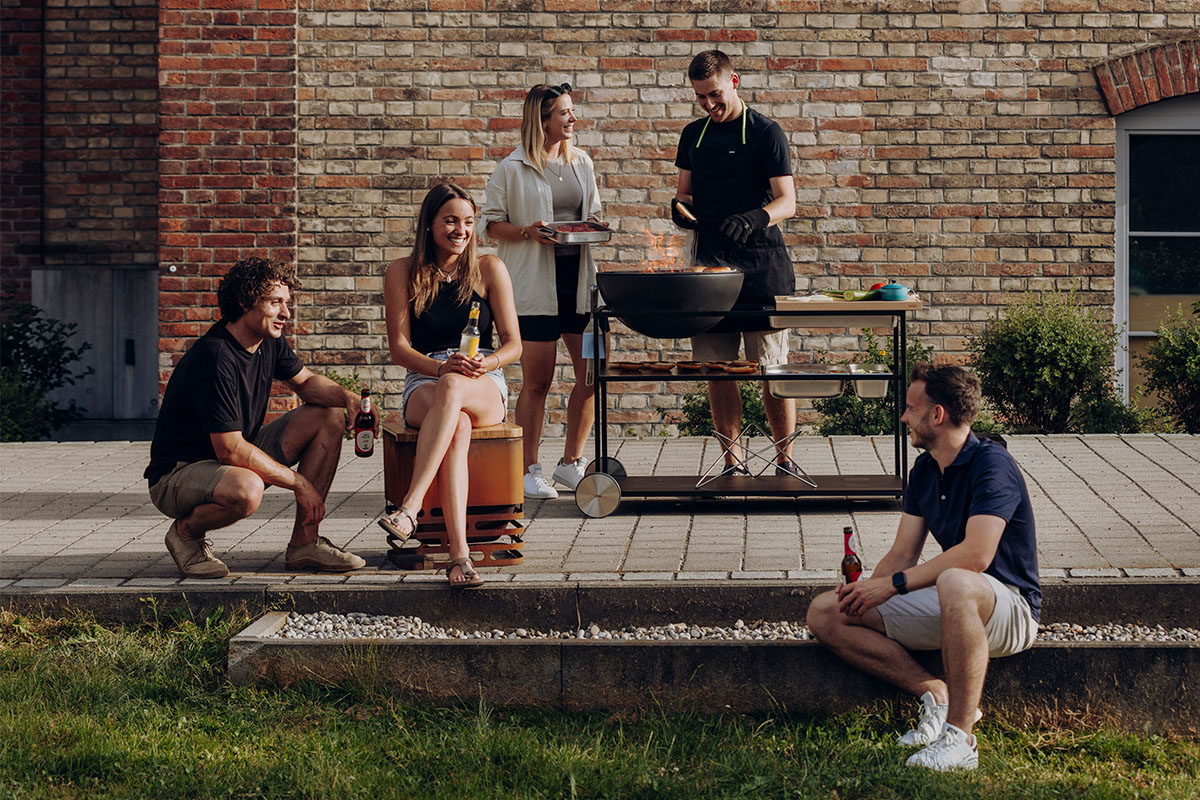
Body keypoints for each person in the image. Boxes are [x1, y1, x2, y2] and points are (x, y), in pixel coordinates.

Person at [807, 364, 1041, 772]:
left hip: (1011, 608)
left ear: (938, 415)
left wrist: (893, 586)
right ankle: (935, 693)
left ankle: (960, 740)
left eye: (911, 408)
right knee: (826, 611)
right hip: (957, 602)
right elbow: (902, 554)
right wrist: (868, 593)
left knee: (956, 579)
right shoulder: (926, 469)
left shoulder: (993, 465)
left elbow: (976, 556)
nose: (904, 417)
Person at [145, 257, 368, 578]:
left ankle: (305, 545)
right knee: (248, 489)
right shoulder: (215, 356)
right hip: (177, 476)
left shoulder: (269, 342)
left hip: (227, 462)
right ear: (244, 301)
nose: (286, 314)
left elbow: (305, 383)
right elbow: (230, 451)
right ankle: (186, 533)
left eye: (287, 303)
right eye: (275, 302)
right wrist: (299, 483)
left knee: (329, 416)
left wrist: (348, 398)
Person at [379, 183, 522, 588]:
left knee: (456, 390)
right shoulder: (401, 272)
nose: (461, 230)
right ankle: (460, 556)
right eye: (451, 221)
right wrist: (440, 370)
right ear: (429, 225)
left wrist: (484, 362)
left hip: (482, 380)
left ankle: (409, 508)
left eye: (469, 222)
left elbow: (514, 345)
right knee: (454, 422)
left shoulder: (490, 269)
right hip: (425, 378)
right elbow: (399, 348)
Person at [673, 50, 798, 477]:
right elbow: (684, 195)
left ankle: (785, 461)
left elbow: (788, 201)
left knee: (771, 371)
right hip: (710, 268)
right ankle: (732, 464)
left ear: (735, 81)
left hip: (763, 266)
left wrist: (756, 217)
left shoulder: (766, 132)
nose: (708, 104)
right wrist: (678, 209)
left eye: (714, 94)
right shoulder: (693, 135)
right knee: (718, 371)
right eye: (700, 98)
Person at [482, 82, 604, 500]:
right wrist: (528, 232)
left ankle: (571, 464)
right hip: (533, 288)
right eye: (565, 113)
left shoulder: (582, 163)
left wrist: (597, 227)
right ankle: (527, 469)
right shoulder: (511, 168)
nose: (573, 119)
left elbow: (593, 214)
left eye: (572, 111)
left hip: (580, 288)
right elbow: (490, 224)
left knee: (594, 372)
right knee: (538, 381)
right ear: (543, 119)